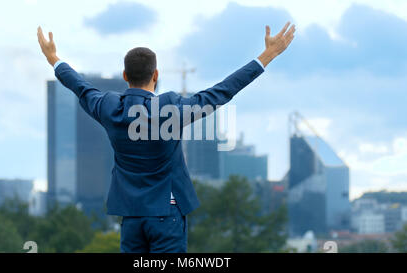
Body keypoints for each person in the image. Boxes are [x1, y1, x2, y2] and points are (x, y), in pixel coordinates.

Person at [37, 22, 295, 253]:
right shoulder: (170, 109)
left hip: (132, 216)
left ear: (125, 76)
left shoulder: (109, 107)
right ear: (156, 75)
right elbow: (219, 93)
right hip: (166, 214)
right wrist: (266, 56)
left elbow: (80, 86)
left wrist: (54, 59)